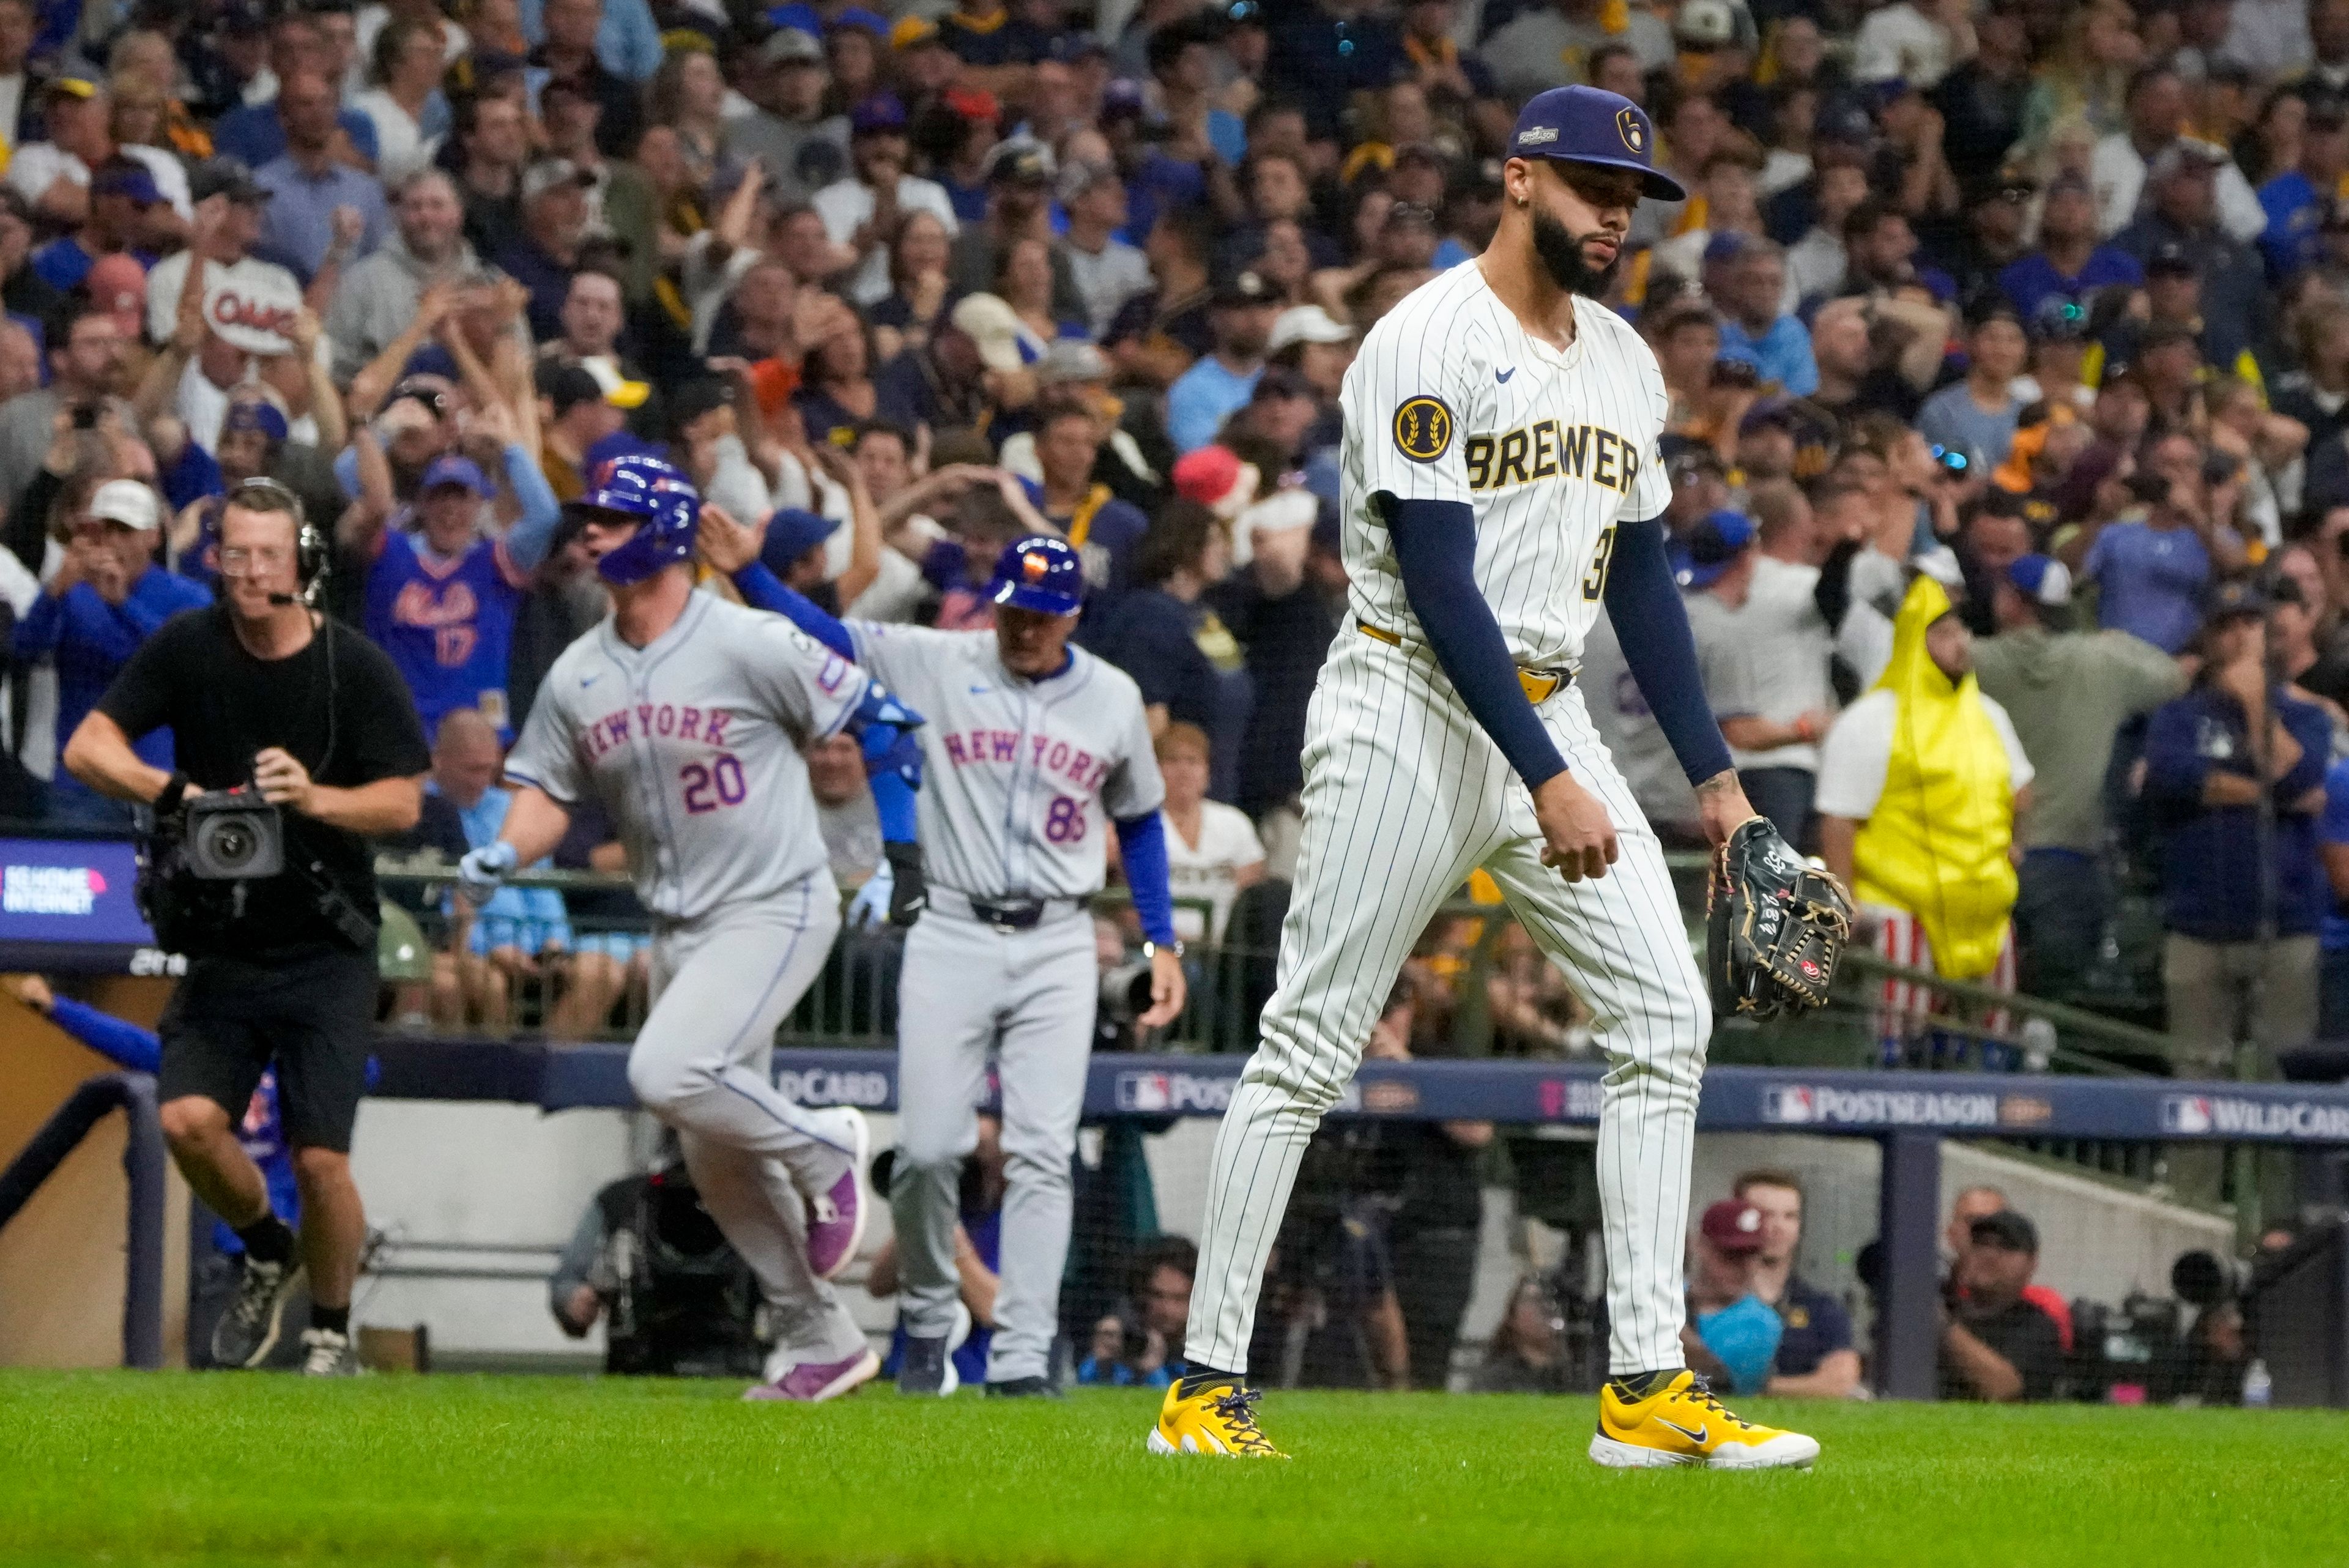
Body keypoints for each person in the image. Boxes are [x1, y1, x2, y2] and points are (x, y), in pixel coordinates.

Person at [1154, 86, 1817, 1470]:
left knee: (1663, 1013)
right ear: (1517, 181)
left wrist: (1715, 783)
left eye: (1629, 199)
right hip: (1407, 696)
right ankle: (1202, 1389)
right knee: (1308, 1041)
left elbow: (1641, 582)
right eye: (1587, 187)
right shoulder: (1426, 338)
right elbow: (1440, 584)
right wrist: (1545, 779)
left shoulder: (1627, 363)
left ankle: (1644, 1387)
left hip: (1548, 705)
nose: (1611, 217)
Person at [459, 456, 909, 1403]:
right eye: (587, 519)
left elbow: (883, 718)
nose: (589, 533)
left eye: (613, 519)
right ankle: (818, 1335)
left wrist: (900, 852)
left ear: (664, 527)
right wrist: (506, 850)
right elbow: (543, 790)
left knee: (664, 1072)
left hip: (777, 900)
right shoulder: (579, 669)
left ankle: (826, 1146)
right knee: (710, 1148)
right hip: (680, 927)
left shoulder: (748, 639)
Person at [711, 524, 1186, 1397]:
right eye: (1016, 609)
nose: (1027, 627)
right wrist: (744, 567)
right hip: (954, 924)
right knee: (928, 1150)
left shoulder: (1113, 696)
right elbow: (822, 634)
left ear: (1073, 613)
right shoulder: (940, 657)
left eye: (1045, 614)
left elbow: (1144, 818)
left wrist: (1162, 939)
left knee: (1045, 1150)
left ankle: (1020, 1350)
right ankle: (931, 1304)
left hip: (1058, 938)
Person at [60, 477, 431, 1377]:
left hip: (327, 945)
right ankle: (267, 1246)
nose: (251, 571)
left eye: (268, 553)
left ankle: (331, 1335)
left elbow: (403, 803)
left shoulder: (353, 666)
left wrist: (313, 797)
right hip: (222, 937)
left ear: (301, 560)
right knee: (187, 1121)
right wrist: (178, 793)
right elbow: (86, 748)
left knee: (321, 1161)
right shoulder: (189, 643)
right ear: (215, 556)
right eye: (235, 553)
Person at [1817, 576, 2035, 1041]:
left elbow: (2022, 789)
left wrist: (2017, 843)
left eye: (1963, 632)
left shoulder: (1988, 715)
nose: (1961, 644)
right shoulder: (1873, 719)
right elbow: (1839, 818)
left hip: (1983, 904)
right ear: (1916, 639)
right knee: (1901, 1034)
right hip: (1902, 904)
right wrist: (1846, 900)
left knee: (1990, 1038)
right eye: (1945, 634)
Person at [1972, 554, 2184, 1000]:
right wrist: (2119, 640)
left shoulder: (1978, 662)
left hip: (1987, 851)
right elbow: (2172, 679)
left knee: (1977, 998)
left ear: (2013, 601)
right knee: (2054, 1002)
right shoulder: (2103, 659)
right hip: (2070, 855)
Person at [2143, 583, 2329, 1085]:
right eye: (2226, 626)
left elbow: (2302, 776)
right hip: (2198, 925)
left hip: (2286, 925)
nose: (2239, 636)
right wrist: (2270, 794)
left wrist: (2253, 701)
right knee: (2196, 1086)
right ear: (2208, 638)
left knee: (2282, 1088)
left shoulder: (2307, 716)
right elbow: (2174, 778)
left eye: (2250, 623)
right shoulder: (2178, 716)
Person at [12, 475, 209, 827]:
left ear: (152, 537)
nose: (114, 542)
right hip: (80, 783)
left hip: (158, 778)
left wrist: (122, 603)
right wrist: (55, 589)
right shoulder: (72, 592)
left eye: (126, 531)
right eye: (106, 530)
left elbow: (191, 664)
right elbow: (22, 650)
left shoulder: (188, 597)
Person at [1731, 1170, 1861, 1398]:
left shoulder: (1822, 1308)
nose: (1779, 1227)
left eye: (1790, 1216)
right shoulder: (1705, 1302)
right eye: (1766, 1215)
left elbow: (1839, 1382)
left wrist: (1749, 1386)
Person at [1154, 723, 1264, 947]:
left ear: (1207, 772)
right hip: (1159, 947)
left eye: (1193, 761)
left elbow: (1252, 895)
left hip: (1227, 951)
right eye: (1172, 761)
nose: (1183, 770)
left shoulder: (1235, 823)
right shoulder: (1141, 825)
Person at [1940, 1209, 2065, 1402]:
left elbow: (2004, 1388)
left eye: (2006, 1247)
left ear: (2032, 1263)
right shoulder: (1947, 1306)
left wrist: (1942, 1328)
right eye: (1981, 1244)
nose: (1989, 1254)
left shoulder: (2037, 1326)